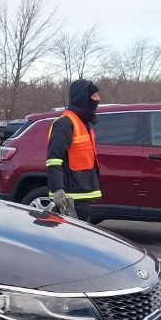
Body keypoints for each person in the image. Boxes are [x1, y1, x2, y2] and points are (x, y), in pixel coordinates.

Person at [45, 79, 102, 222]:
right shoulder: (65, 123)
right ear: (83, 97)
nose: (98, 99)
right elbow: (54, 159)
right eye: (94, 96)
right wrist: (58, 189)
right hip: (69, 198)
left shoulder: (84, 123)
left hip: (81, 196)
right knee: (71, 240)